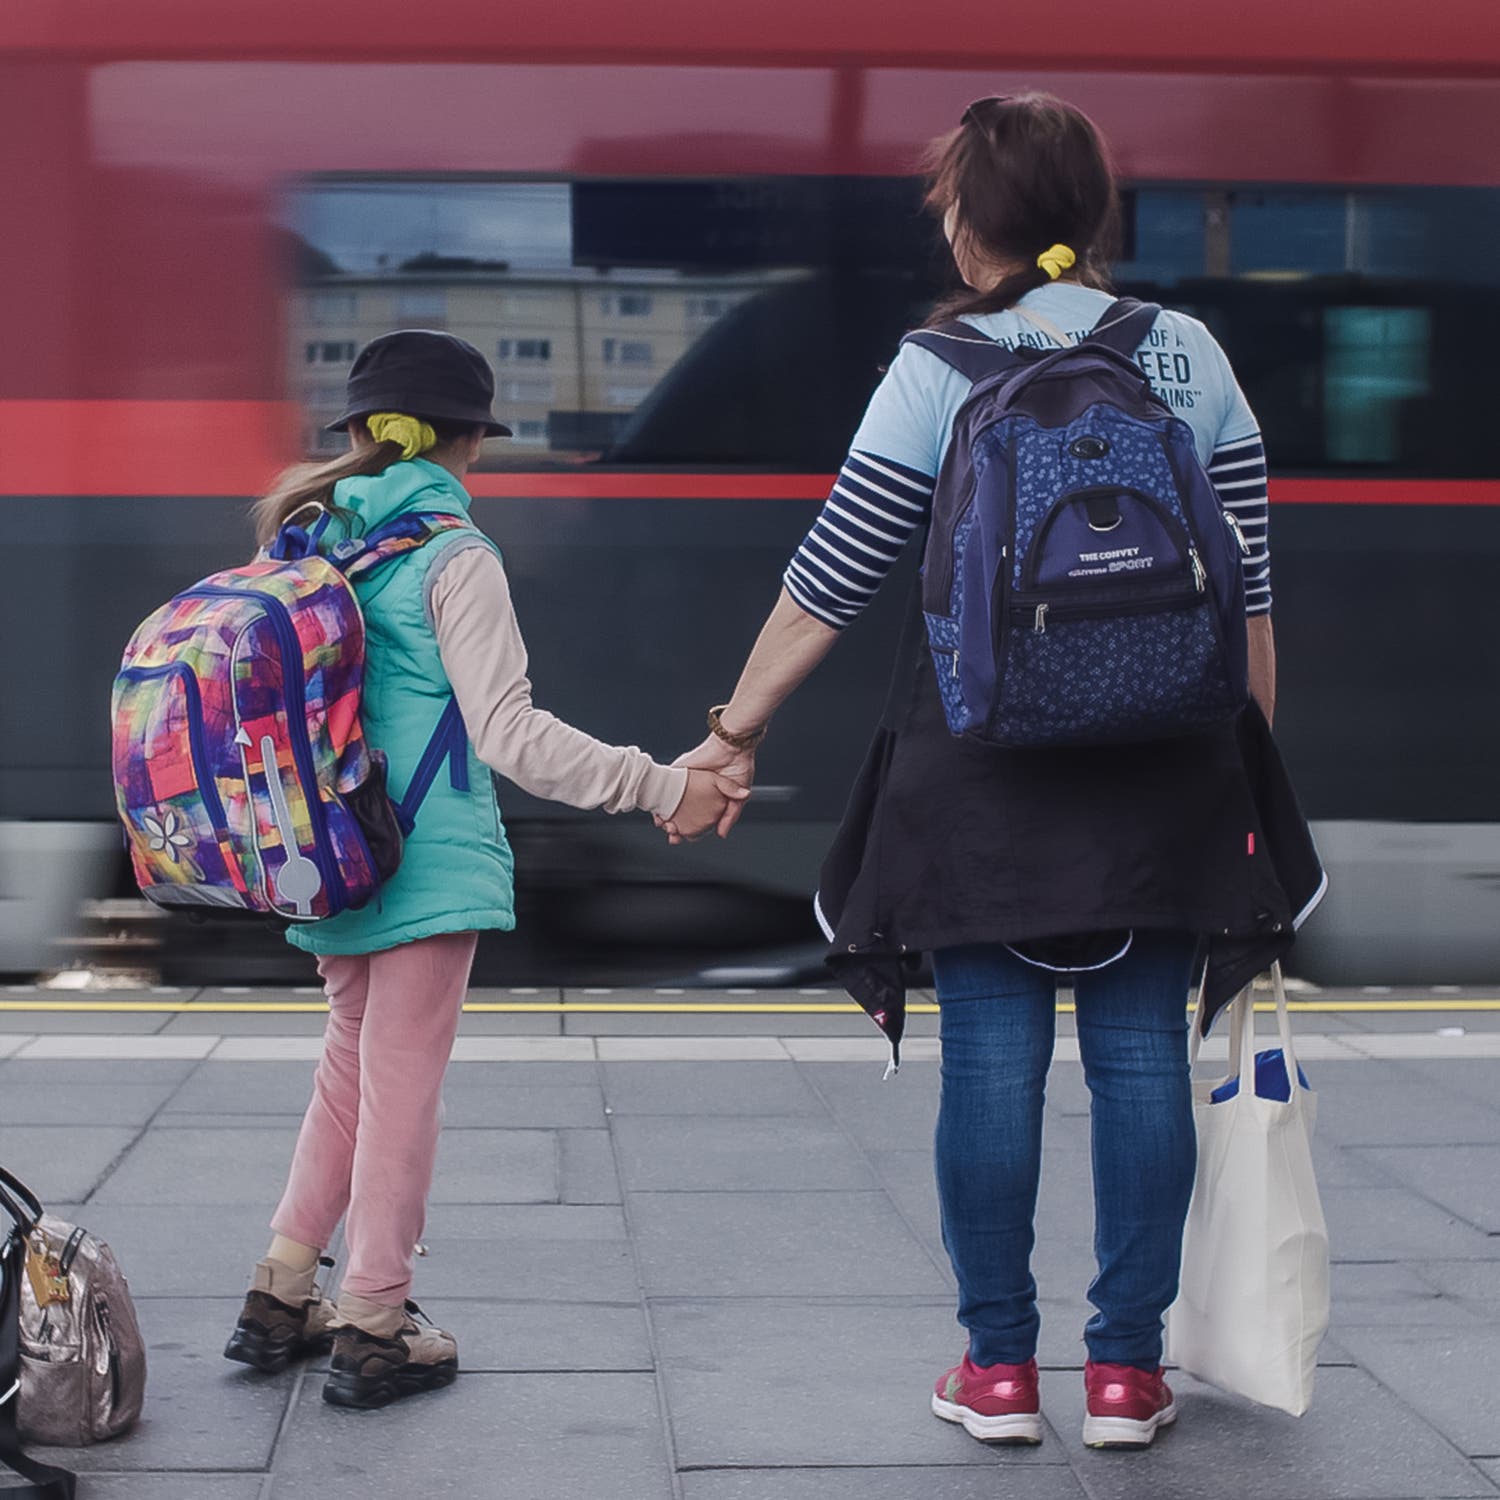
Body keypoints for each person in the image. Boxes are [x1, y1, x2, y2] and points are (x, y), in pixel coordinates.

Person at [665, 94, 1322, 1449]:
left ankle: (1002, 1372)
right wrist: (1242, 768)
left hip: (982, 763)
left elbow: (834, 578)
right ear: (1094, 218)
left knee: (993, 1062)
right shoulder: (1192, 357)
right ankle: (1130, 1377)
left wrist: (734, 730)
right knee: (1143, 1055)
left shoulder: (939, 366)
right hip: (1170, 762)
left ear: (971, 223)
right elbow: (1247, 592)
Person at [223, 330, 745, 1409]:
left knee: (351, 1066)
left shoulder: (309, 538)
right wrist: (660, 786)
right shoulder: (452, 552)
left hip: (327, 850)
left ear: (363, 433)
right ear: (469, 443)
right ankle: (373, 1314)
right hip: (422, 854)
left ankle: (282, 1290)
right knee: (403, 1084)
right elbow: (509, 734)